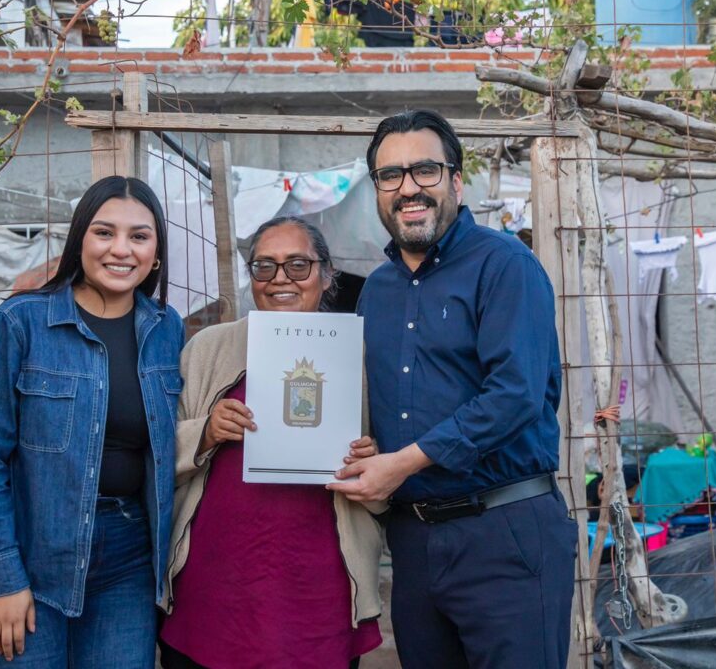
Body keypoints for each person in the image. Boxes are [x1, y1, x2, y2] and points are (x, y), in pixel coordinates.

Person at [329, 110, 578, 668]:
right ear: (377, 190)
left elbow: (514, 394)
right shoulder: (379, 292)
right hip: (415, 542)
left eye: (424, 170)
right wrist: (370, 450)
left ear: (457, 181)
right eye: (390, 175)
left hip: (505, 533)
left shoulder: (506, 266)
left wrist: (402, 463)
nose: (408, 188)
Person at [0, 176, 185, 668]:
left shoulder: (168, 330)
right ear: (79, 239)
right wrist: (3, 577)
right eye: (104, 233)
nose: (120, 249)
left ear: (157, 253)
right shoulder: (20, 324)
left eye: (139, 236)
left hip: (128, 557)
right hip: (32, 552)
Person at [159, 216, 383, 668]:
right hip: (217, 581)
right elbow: (158, 446)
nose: (280, 279)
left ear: (326, 275)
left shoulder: (360, 353)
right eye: (265, 266)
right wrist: (205, 431)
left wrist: (372, 460)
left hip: (319, 581)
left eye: (298, 265)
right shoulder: (209, 348)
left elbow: (391, 466)